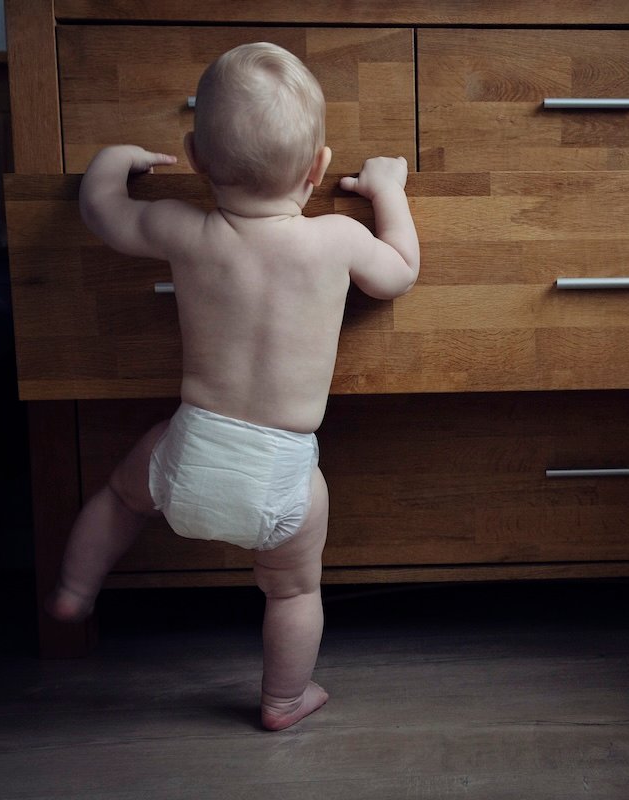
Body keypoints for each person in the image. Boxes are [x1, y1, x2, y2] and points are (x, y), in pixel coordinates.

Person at [45, 42, 420, 732]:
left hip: (190, 449)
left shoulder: (186, 231)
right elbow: (400, 268)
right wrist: (389, 189)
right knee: (293, 590)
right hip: (280, 470)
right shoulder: (336, 238)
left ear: (194, 157)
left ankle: (72, 593)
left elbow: (103, 212)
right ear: (318, 168)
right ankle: (283, 699)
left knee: (122, 498)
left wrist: (109, 163)